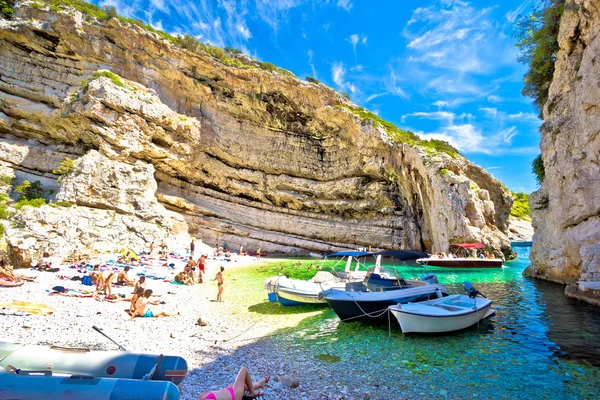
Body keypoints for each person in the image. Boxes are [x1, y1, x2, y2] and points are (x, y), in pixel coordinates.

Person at [198, 367, 269, 400]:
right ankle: (253, 392)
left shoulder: (201, 397)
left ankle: (260, 384)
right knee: (244, 370)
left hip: (229, 390)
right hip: (234, 396)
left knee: (244, 385)